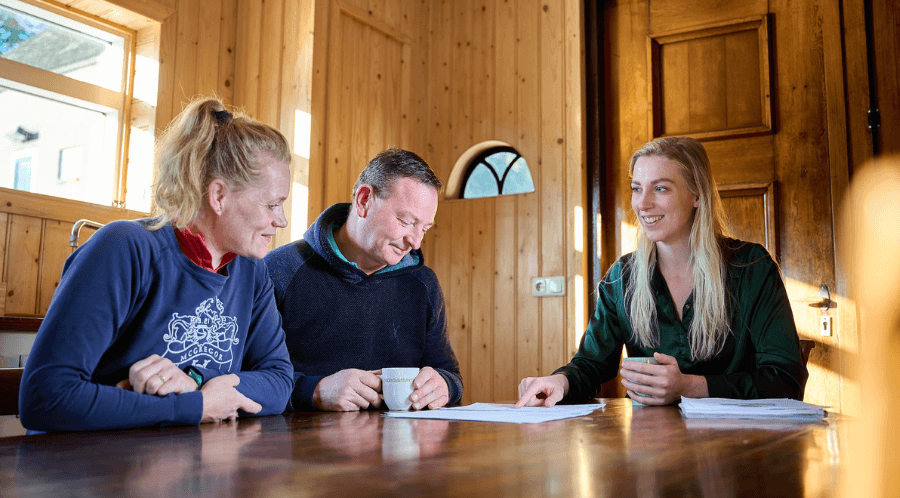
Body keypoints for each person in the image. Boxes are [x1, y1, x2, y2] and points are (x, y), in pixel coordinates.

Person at [19, 97, 294, 431]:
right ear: (218, 196)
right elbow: (46, 397)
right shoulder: (124, 247)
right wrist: (197, 405)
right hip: (89, 469)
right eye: (272, 204)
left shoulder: (252, 271)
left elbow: (279, 383)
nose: (281, 221)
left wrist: (195, 382)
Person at [516, 136, 808, 408]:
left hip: (745, 451)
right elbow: (592, 364)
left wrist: (690, 386)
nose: (642, 204)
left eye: (661, 188)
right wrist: (559, 382)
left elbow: (785, 382)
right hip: (652, 451)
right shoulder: (622, 278)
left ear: (696, 195)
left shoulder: (751, 268)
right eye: (637, 188)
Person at [265, 148, 462, 412]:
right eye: (405, 221)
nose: (415, 241)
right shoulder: (280, 270)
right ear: (364, 200)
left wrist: (444, 386)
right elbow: (248, 376)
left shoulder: (423, 283)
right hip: (298, 447)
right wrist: (314, 390)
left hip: (401, 448)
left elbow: (449, 373)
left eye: (424, 228)